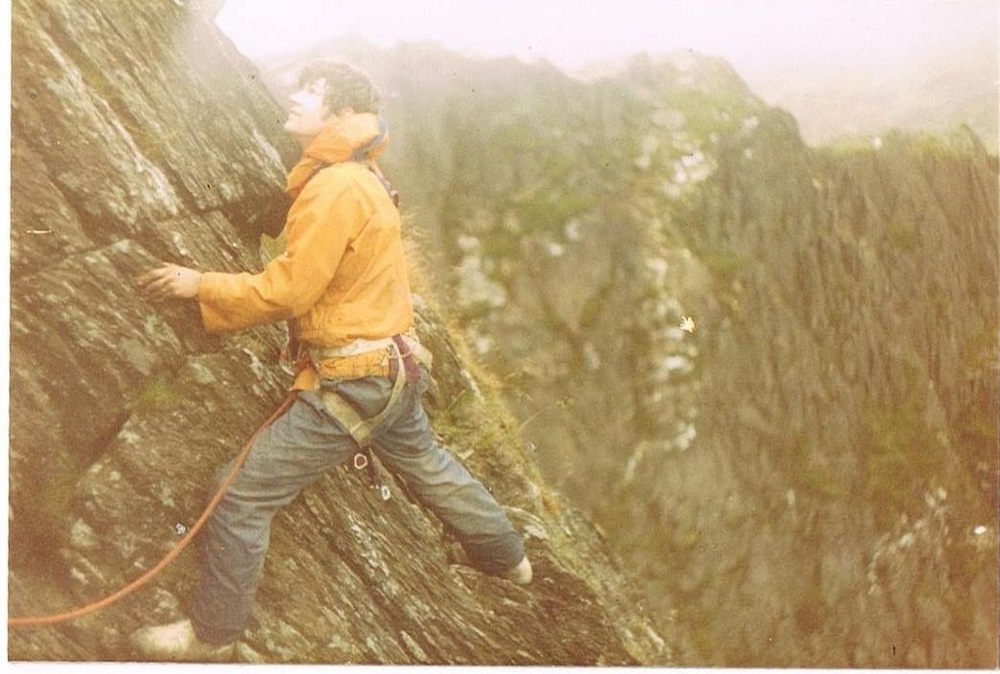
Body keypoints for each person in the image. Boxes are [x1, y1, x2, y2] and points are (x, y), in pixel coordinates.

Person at [131, 61, 531, 663]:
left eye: (310, 93)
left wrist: (201, 285)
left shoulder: (336, 186)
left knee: (239, 495)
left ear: (341, 114)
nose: (293, 97)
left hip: (355, 381)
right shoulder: (362, 176)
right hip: (393, 368)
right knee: (427, 464)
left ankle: (213, 635)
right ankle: (511, 560)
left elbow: (291, 291)